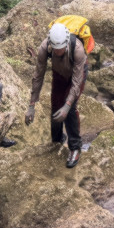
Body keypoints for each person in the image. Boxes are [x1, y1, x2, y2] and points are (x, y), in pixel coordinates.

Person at [27, 22, 88, 168]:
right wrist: (31, 104)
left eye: (61, 49)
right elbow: (38, 76)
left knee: (70, 109)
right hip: (59, 74)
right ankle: (57, 140)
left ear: (66, 43)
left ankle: (75, 147)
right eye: (55, 49)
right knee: (55, 107)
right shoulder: (44, 48)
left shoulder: (78, 49)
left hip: (77, 75)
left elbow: (76, 83)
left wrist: (67, 106)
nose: (58, 51)